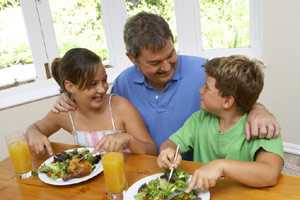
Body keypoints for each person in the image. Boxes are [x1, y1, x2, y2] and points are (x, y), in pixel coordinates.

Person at [52, 12, 280, 155]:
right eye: (155, 62)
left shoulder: (203, 70)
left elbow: (239, 95)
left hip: (196, 164)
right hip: (152, 166)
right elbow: (101, 104)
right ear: (133, 59)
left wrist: (260, 109)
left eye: (171, 54)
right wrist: (68, 97)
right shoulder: (123, 83)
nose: (167, 66)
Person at [157, 55, 283, 191]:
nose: (200, 91)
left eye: (206, 87)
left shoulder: (261, 126)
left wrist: (221, 166)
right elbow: (172, 143)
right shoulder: (199, 119)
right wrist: (167, 151)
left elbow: (270, 174)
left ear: (227, 101)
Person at [26, 48, 156, 156]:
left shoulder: (120, 107)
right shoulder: (66, 112)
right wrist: (33, 133)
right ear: (70, 86)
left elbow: (152, 151)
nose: (102, 88)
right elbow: (34, 129)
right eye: (92, 84)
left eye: (104, 80)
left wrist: (129, 139)